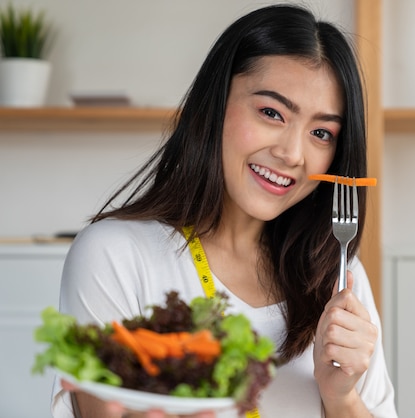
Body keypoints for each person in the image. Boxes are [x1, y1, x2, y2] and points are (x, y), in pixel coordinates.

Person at [51, 3, 397, 418]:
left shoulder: (339, 274)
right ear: (214, 104)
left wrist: (341, 398)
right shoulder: (115, 255)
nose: (292, 154)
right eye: (271, 112)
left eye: (321, 133)